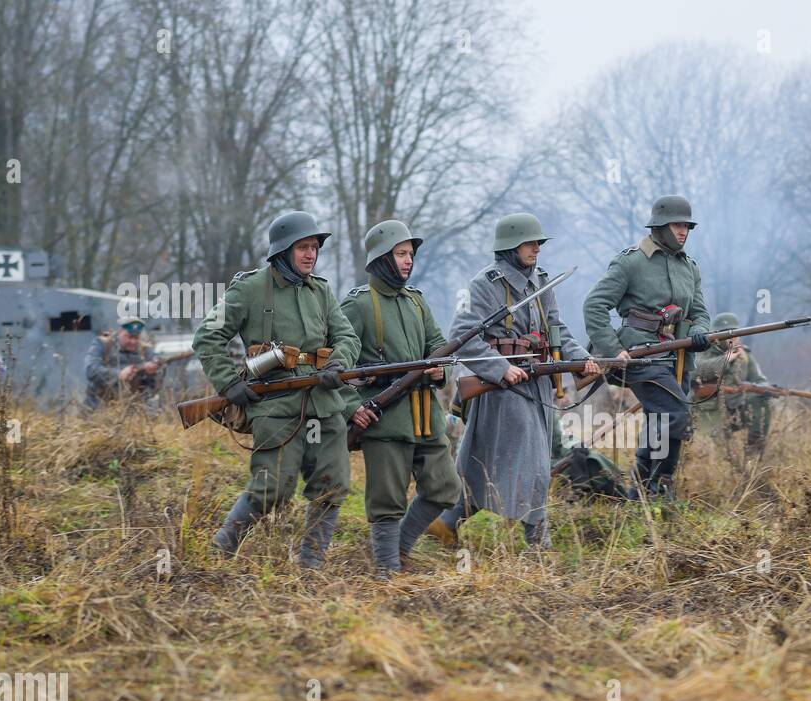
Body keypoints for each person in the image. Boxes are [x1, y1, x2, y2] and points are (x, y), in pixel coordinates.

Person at [192, 210, 360, 568]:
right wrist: (229, 383)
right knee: (272, 489)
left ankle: (311, 566)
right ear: (283, 250)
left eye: (314, 247)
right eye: (303, 247)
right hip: (275, 406)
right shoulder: (250, 289)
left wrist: (338, 363)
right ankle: (223, 547)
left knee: (333, 486)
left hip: (324, 405)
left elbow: (346, 336)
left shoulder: (323, 291)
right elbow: (207, 336)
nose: (310, 254)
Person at [430, 213, 598, 549]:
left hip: (535, 383)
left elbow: (556, 328)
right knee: (534, 464)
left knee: (489, 463)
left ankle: (448, 521)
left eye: (538, 243)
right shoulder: (484, 285)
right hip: (500, 388)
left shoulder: (542, 281)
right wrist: (500, 367)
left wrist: (580, 358)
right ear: (510, 246)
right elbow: (461, 336)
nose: (537, 248)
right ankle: (538, 542)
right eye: (529, 243)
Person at [341, 220, 459, 573]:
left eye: (410, 254)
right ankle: (386, 569)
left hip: (426, 417)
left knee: (444, 489)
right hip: (386, 420)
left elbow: (438, 347)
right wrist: (352, 408)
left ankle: (401, 549)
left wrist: (442, 371)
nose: (409, 261)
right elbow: (336, 368)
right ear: (382, 258)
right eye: (401, 254)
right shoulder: (358, 305)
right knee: (386, 501)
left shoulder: (417, 303)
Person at [583, 194, 712, 498]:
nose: (683, 231)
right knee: (677, 413)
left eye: (687, 226)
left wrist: (701, 332)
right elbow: (595, 305)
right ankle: (658, 483)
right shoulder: (631, 262)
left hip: (678, 356)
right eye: (677, 225)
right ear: (660, 226)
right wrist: (613, 350)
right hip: (640, 356)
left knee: (660, 420)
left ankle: (644, 493)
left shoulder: (690, 267)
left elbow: (700, 313)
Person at [692, 312, 772, 456]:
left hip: (736, 407)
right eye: (727, 334)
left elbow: (759, 379)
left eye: (735, 333)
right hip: (708, 411)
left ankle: (753, 455)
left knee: (760, 402)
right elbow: (696, 370)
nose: (732, 338)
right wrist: (727, 359)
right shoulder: (703, 350)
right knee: (715, 454)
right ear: (716, 335)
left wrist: (763, 388)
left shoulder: (744, 354)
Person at [85, 315, 162, 409]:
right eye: (129, 337)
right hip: (98, 409)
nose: (133, 342)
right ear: (120, 332)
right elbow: (91, 370)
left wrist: (151, 373)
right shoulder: (103, 344)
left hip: (133, 411)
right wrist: (119, 375)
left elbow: (155, 385)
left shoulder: (145, 350)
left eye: (136, 338)